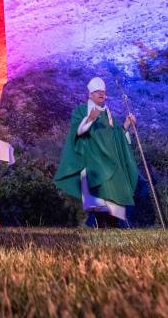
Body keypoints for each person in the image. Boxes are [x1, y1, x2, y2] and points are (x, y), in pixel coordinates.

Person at [54, 77, 139, 227]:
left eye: (103, 92)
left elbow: (113, 135)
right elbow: (77, 132)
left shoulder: (107, 113)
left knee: (114, 194)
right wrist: (90, 118)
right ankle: (100, 224)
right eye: (97, 91)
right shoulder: (81, 110)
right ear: (90, 95)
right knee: (97, 196)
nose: (101, 94)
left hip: (110, 160)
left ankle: (114, 225)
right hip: (92, 160)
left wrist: (126, 125)